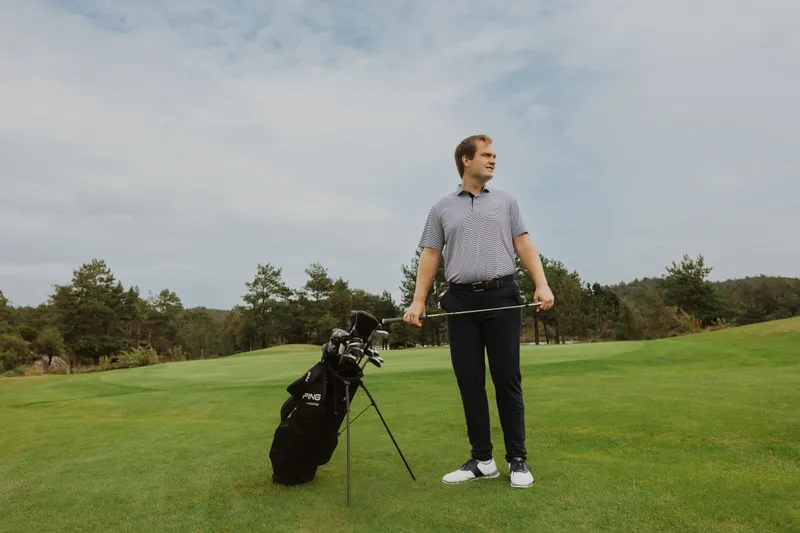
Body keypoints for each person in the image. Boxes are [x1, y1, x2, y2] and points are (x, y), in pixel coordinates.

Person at [403, 134, 554, 489]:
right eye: (486, 155)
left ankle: (517, 459)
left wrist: (542, 283)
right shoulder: (441, 207)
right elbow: (430, 254)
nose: (493, 160)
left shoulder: (506, 202)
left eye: (494, 155)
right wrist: (418, 300)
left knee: (506, 380)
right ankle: (482, 460)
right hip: (461, 303)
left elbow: (523, 243)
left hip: (502, 296)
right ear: (465, 161)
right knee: (470, 382)